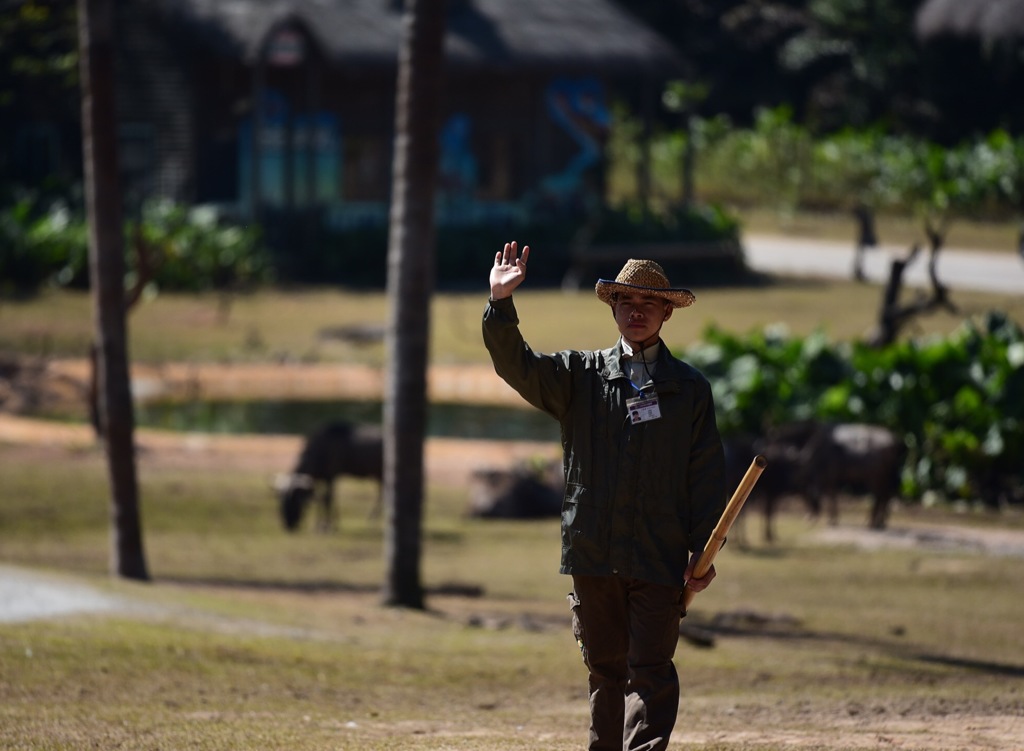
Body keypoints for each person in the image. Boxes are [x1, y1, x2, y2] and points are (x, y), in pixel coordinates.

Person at [482, 241, 727, 751]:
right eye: (625, 302)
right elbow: (517, 366)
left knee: (651, 672)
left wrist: (704, 554)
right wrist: (500, 304)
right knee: (605, 673)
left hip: (660, 555)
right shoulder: (579, 377)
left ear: (666, 313)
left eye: (647, 304)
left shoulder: (690, 390)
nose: (635, 312)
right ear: (612, 309)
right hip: (593, 552)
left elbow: (705, 478)